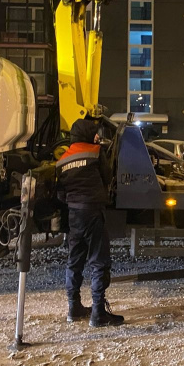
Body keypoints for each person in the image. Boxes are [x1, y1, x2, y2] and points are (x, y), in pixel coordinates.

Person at [56, 117, 124, 327]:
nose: (96, 136)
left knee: (74, 260)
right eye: (93, 132)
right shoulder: (95, 153)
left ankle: (73, 308)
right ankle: (98, 313)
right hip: (93, 212)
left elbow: (60, 193)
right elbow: (107, 177)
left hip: (74, 215)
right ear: (86, 134)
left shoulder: (62, 160)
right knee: (98, 261)